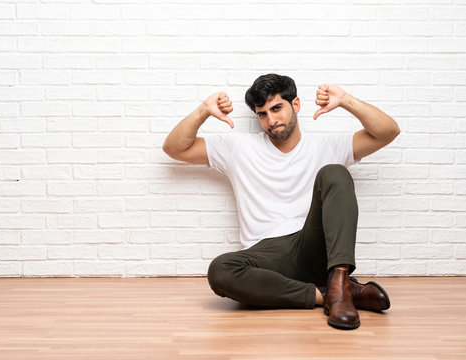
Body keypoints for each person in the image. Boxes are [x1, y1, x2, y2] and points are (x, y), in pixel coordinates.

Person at [162, 74, 400, 330]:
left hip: (311, 245)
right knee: (220, 270)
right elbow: (175, 148)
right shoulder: (238, 147)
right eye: (262, 114)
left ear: (295, 105)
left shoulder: (327, 145)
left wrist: (345, 100)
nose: (271, 120)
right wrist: (203, 111)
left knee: (335, 173)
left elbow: (388, 132)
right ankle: (333, 294)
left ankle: (339, 281)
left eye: (277, 108)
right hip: (266, 254)